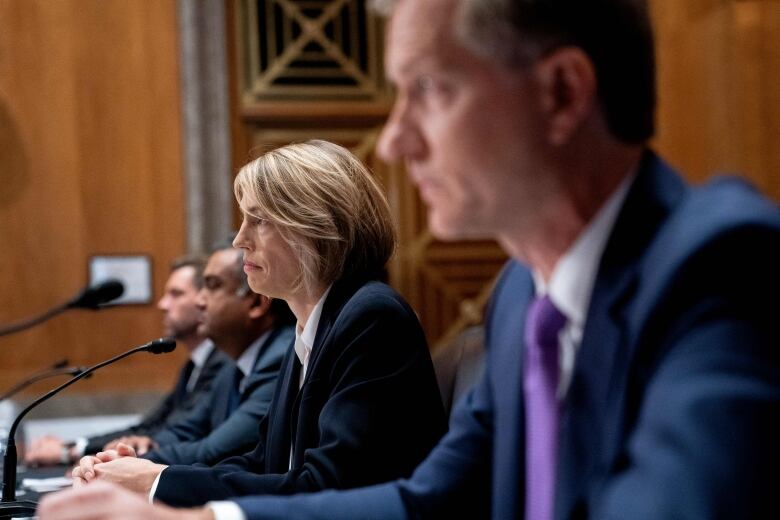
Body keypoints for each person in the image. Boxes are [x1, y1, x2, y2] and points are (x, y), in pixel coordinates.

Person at [38, 0, 780, 518]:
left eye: (427, 89)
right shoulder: (524, 294)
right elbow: (428, 502)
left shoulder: (722, 265)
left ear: (561, 93)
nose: (391, 143)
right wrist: (189, 517)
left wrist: (168, 488)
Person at [64, 140, 447, 508]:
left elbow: (329, 485)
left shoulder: (370, 317)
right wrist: (150, 473)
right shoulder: (312, 328)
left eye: (258, 220)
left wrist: (154, 483)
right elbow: (263, 463)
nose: (240, 240)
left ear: (315, 228)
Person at [25, 256, 229, 466]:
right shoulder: (193, 365)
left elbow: (178, 432)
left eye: (176, 294)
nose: (162, 304)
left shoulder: (224, 363)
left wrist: (72, 452)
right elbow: (148, 426)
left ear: (206, 300)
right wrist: (74, 446)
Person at [134, 241, 294, 465]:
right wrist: (139, 448)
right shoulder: (232, 365)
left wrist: (134, 463)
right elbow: (187, 429)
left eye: (212, 285)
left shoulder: (282, 360)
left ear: (256, 303)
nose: (199, 301)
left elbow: (216, 451)